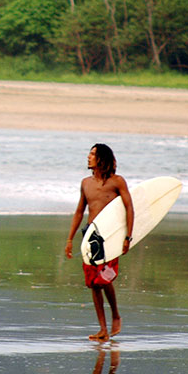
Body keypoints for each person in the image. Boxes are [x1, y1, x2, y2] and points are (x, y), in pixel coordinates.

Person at [64, 143, 133, 342]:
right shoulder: (85, 182)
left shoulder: (117, 182)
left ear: (102, 158)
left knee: (104, 279)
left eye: (93, 154)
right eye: (89, 153)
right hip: (90, 236)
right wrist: (70, 239)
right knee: (93, 284)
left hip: (110, 236)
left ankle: (116, 315)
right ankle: (102, 328)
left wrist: (128, 237)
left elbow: (129, 208)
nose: (88, 157)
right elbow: (79, 212)